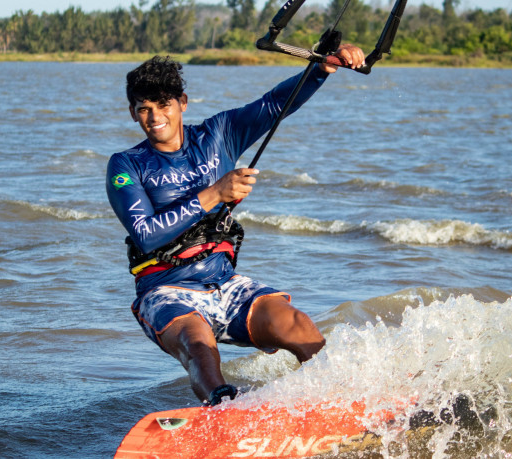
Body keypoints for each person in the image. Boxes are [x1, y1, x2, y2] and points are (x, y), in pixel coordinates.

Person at [106, 45, 366, 406]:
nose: (154, 117)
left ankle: (349, 398)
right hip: (165, 291)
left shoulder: (219, 135)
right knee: (198, 346)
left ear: (183, 102)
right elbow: (146, 235)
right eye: (144, 109)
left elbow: (275, 104)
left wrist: (321, 69)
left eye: (163, 104)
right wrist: (214, 193)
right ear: (133, 114)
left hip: (225, 283)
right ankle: (224, 407)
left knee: (295, 323)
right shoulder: (126, 165)